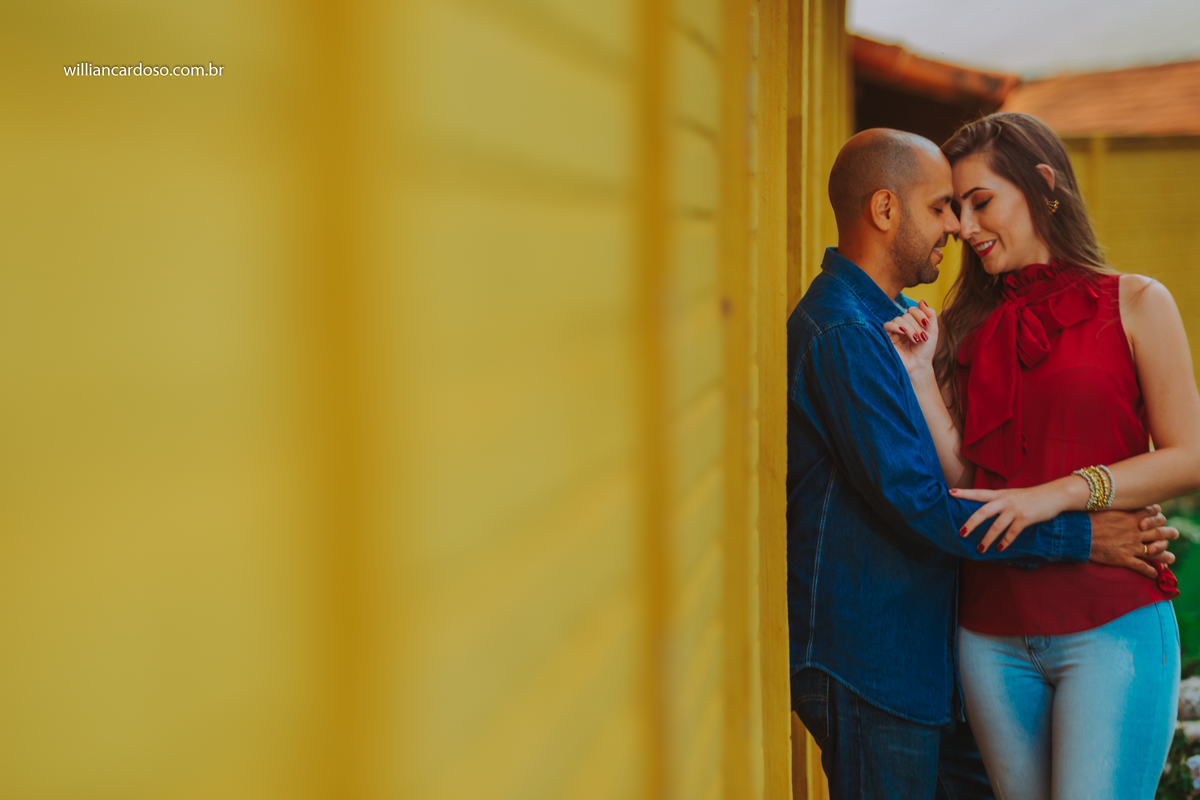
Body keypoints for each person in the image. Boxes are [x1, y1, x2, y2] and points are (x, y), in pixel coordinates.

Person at [786, 127, 1179, 800]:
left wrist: (1062, 497)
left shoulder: (1133, 301)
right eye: (946, 207)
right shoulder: (896, 330)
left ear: (1043, 188)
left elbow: (1188, 456)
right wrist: (1084, 533)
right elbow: (938, 493)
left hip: (1048, 632)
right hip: (937, 649)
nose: (961, 228)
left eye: (974, 203)